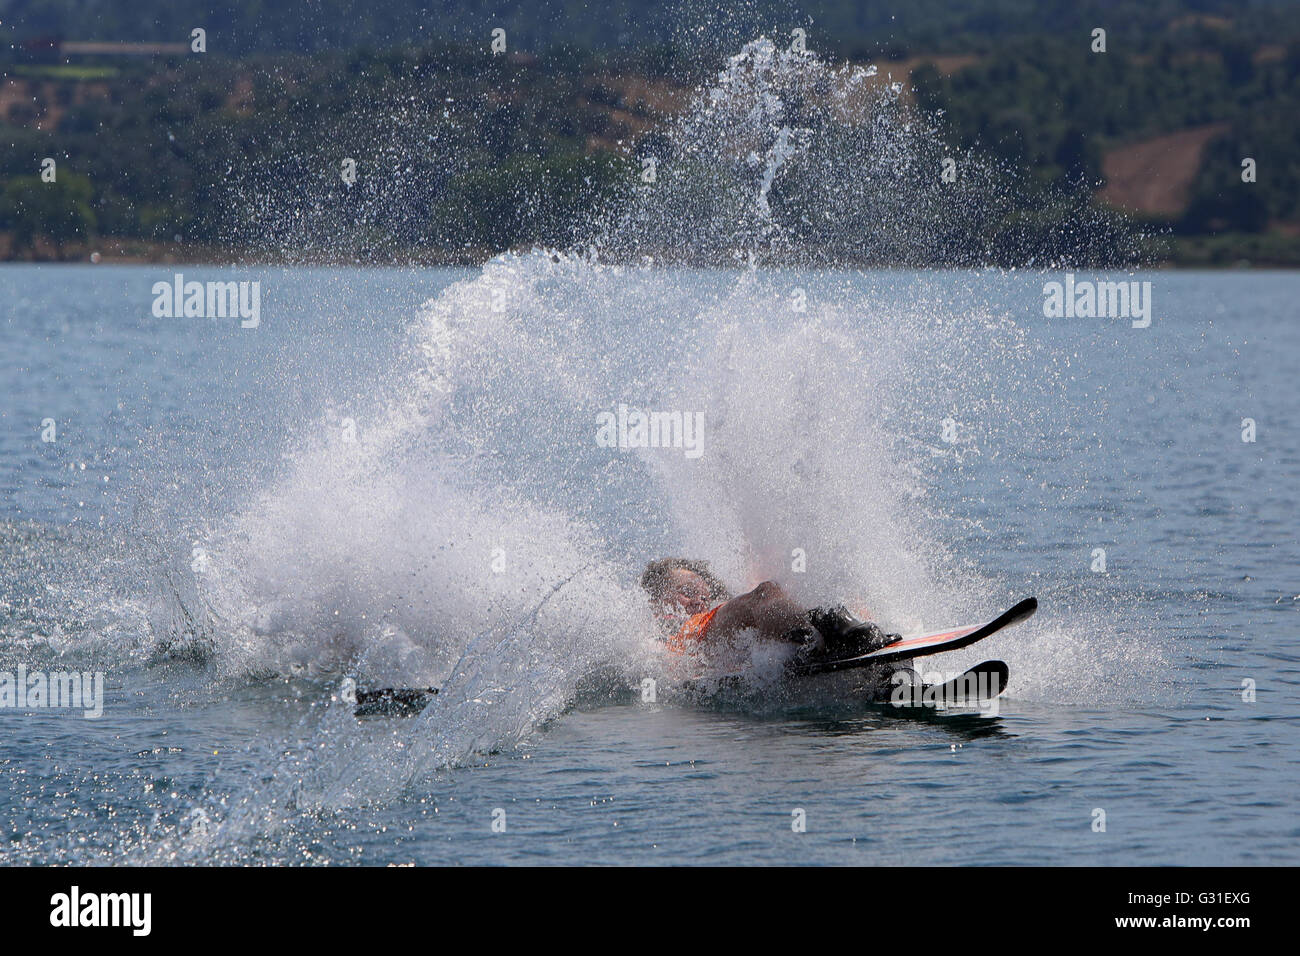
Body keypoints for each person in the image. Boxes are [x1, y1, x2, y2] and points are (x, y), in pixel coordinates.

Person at [639, 557, 900, 662]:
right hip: (701, 639)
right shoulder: (671, 632)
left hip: (742, 632)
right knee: (765, 590)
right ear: (659, 603)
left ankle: (836, 624)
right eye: (685, 592)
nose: (696, 597)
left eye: (698, 588)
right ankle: (822, 633)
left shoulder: (725, 601)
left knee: (781, 587)